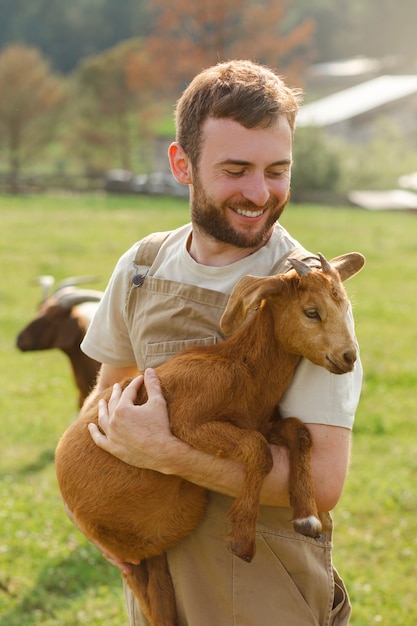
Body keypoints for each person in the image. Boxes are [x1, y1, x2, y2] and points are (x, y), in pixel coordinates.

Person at [78, 59, 362, 625]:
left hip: (262, 583)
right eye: (236, 169)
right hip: (156, 568)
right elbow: (105, 407)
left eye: (277, 170)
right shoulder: (141, 266)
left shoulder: (309, 295)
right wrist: (98, 515)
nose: (259, 193)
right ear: (182, 164)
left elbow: (324, 482)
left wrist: (168, 453)